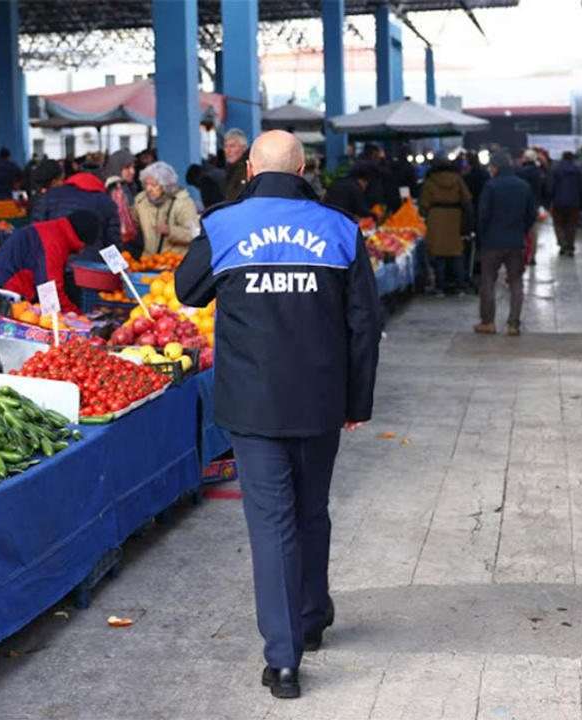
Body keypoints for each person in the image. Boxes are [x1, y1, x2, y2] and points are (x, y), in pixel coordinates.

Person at [175, 130, 380, 700]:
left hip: (253, 403)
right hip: (320, 400)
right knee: (312, 511)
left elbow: (187, 292)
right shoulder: (340, 228)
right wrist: (357, 401)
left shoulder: (223, 225)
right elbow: (365, 324)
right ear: (305, 167)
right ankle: (312, 618)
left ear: (247, 171)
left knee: (272, 524)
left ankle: (284, 658)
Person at [0, 211, 100, 313]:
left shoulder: (55, 229)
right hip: (5, 290)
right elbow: (49, 290)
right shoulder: (55, 242)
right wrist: (75, 316)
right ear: (82, 242)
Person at [476, 152, 537, 336]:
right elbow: (531, 215)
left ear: (496, 167)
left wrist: (482, 236)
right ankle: (514, 324)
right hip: (516, 241)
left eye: (491, 167)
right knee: (516, 281)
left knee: (487, 280)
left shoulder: (490, 186)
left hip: (492, 242)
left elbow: (483, 215)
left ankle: (488, 322)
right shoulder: (524, 186)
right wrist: (521, 231)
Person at [30, 167, 121, 257]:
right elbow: (112, 242)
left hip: (55, 261)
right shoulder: (106, 202)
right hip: (91, 265)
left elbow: (36, 231)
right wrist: (120, 268)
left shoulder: (50, 195)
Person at [420, 157, 473, 294]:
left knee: (439, 254)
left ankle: (440, 287)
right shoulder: (457, 179)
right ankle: (460, 286)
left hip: (436, 217)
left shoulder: (430, 181)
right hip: (455, 217)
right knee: (456, 253)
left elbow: (424, 203)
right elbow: (467, 198)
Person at [133, 161, 200, 256]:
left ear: (166, 186)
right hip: (149, 262)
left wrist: (170, 231)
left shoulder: (182, 202)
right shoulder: (141, 201)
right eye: (146, 184)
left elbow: (194, 234)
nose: (149, 189)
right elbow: (134, 226)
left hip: (174, 262)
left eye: (154, 185)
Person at [547, 151, 582, 256]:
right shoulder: (578, 171)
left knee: (558, 224)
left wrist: (548, 201)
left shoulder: (556, 170)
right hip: (574, 202)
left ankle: (562, 243)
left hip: (558, 202)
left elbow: (551, 187)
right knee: (572, 225)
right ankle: (570, 246)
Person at [104, 149, 140, 252]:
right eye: (127, 168)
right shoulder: (116, 189)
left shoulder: (130, 186)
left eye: (133, 167)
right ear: (117, 167)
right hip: (121, 242)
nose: (132, 171)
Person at [222, 129, 251, 201]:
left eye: (232, 146)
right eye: (225, 146)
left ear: (243, 148)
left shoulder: (247, 169)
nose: (228, 151)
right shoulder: (231, 170)